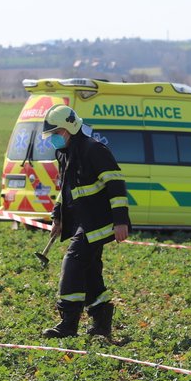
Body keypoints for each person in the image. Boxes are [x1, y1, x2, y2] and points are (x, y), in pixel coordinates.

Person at [41, 105, 130, 339]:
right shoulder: (64, 153)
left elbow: (116, 184)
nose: (53, 139)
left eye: (56, 133)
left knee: (73, 263)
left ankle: (68, 323)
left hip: (99, 222)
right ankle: (100, 323)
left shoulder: (94, 149)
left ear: (70, 128)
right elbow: (66, 188)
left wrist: (121, 221)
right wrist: (57, 217)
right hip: (82, 221)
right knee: (90, 272)